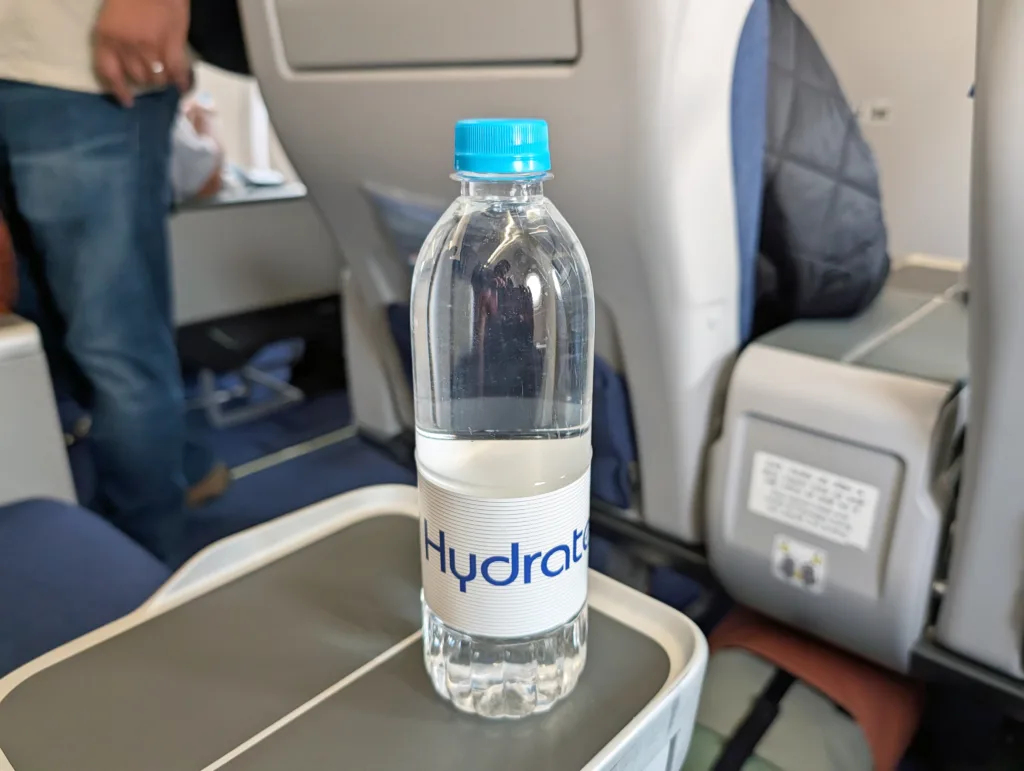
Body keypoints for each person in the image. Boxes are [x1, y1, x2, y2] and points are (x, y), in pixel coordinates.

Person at [0, 0, 219, 561]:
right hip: (37, 60)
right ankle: (160, 490)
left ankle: (144, 567)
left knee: (113, 345)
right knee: (40, 328)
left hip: (76, 62)